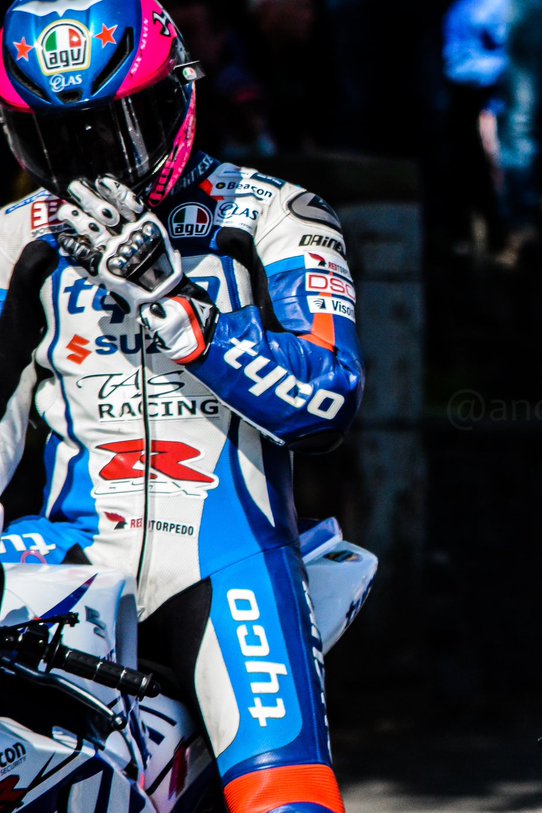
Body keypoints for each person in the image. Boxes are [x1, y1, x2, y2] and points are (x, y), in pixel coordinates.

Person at [0, 1, 364, 811]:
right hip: (61, 566)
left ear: (175, 96)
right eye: (61, 140)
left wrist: (185, 311)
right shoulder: (15, 237)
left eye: (116, 129)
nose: (94, 164)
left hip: (226, 564)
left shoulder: (275, 214)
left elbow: (331, 401)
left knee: (289, 801)